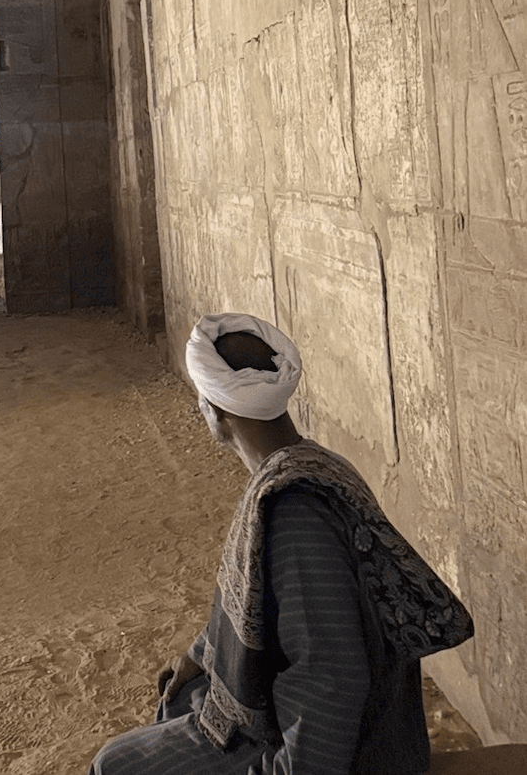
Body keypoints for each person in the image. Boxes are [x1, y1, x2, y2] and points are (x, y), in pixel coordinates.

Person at [89, 312, 474, 775]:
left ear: (214, 411)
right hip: (288, 717)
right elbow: (255, 603)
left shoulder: (295, 514)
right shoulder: (314, 466)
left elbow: (329, 682)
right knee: (183, 695)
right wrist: (201, 654)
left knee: (112, 764)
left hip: (343, 751)